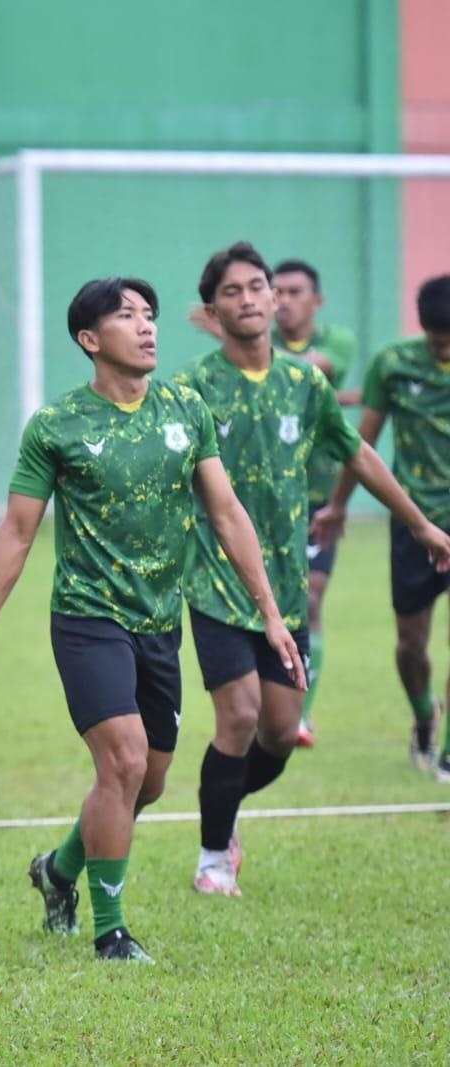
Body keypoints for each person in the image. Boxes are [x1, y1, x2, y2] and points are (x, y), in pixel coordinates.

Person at [0, 276, 295, 964]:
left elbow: (226, 513)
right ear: (89, 339)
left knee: (148, 781)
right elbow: (17, 532)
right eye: (127, 316)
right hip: (87, 618)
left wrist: (271, 613)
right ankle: (111, 931)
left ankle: (58, 868)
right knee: (124, 759)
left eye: (150, 315)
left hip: (159, 621)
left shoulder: (184, 409)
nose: (147, 327)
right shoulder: (57, 426)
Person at [177, 242, 450, 898]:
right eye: (232, 290)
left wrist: (418, 523)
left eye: (257, 286)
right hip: (217, 579)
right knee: (238, 718)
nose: (248, 298)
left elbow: (358, 454)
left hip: (286, 584)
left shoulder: (305, 384)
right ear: (212, 309)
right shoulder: (190, 388)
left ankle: (224, 808)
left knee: (277, 732)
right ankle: (214, 856)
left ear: (275, 299)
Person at [316, 274, 450, 781]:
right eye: (439, 340)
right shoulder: (393, 364)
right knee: (411, 643)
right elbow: (362, 443)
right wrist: (338, 506)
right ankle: (423, 718)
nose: (444, 349)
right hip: (415, 522)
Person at [269, 260, 360, 746]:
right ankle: (270, 705)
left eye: (294, 291)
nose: (283, 300)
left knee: (310, 601)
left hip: (318, 502)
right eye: (276, 290)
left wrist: (240, 345)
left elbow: (316, 370)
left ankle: (301, 714)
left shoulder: (335, 342)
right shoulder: (254, 348)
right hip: (262, 504)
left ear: (316, 300)